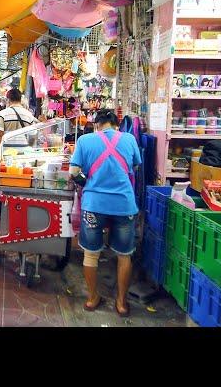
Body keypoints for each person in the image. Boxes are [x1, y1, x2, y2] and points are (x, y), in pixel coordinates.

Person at [69, 109, 141, 318]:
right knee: (124, 255)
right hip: (124, 205)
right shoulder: (128, 139)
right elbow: (134, 167)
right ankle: (121, 302)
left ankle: (92, 298)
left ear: (97, 125)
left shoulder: (85, 140)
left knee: (91, 253)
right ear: (116, 125)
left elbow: (74, 173)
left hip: (94, 205)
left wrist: (88, 182)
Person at [0, 88, 37, 165]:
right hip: (24, 153)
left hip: (6, 153)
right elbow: (33, 135)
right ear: (20, 99)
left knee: (6, 175)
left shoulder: (2, 114)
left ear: (8, 100)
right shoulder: (29, 115)